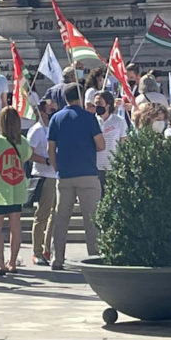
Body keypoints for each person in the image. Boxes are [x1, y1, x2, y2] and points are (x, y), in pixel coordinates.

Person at [0, 106, 47, 275]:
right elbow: (26, 156)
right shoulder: (23, 142)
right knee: (15, 227)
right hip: (16, 188)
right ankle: (13, 262)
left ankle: (1, 263)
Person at [47, 84, 105, 270]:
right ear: (79, 97)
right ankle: (94, 256)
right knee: (91, 218)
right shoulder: (89, 118)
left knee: (61, 218)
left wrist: (57, 169)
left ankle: (58, 258)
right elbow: (101, 145)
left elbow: (50, 148)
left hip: (65, 174)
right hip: (87, 173)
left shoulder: (55, 118)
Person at [28, 99, 58, 266]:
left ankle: (48, 250)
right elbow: (28, 154)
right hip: (44, 176)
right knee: (42, 215)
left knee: (55, 216)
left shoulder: (55, 128)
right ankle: (37, 251)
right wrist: (46, 161)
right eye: (50, 110)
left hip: (58, 176)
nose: (53, 113)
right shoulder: (37, 130)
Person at [95, 90, 127, 193]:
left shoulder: (119, 121)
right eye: (95, 104)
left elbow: (124, 143)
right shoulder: (91, 121)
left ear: (108, 105)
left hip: (113, 166)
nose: (97, 106)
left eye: (99, 103)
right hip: (96, 167)